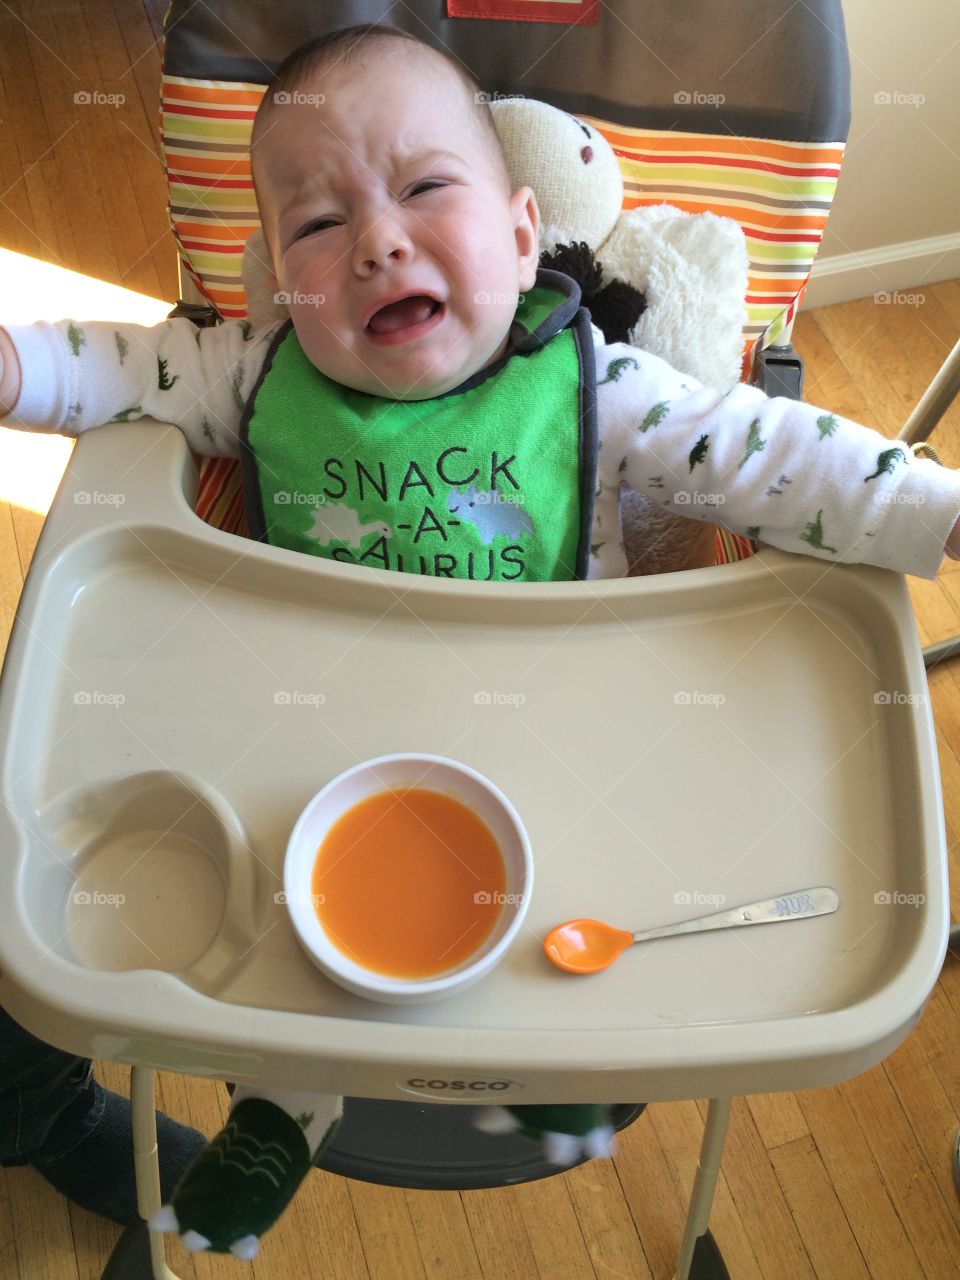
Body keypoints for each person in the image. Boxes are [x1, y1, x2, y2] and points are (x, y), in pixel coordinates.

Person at [1, 19, 959, 1258]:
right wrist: (19, 367)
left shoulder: (602, 388)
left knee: (599, 879)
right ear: (277, 276)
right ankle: (283, 1105)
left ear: (520, 233)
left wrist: (938, 513)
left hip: (557, 735)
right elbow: (123, 366)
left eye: (423, 188)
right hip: (314, 737)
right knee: (283, 918)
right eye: (319, 224)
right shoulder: (250, 374)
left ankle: (559, 1071)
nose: (379, 240)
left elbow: (780, 457)